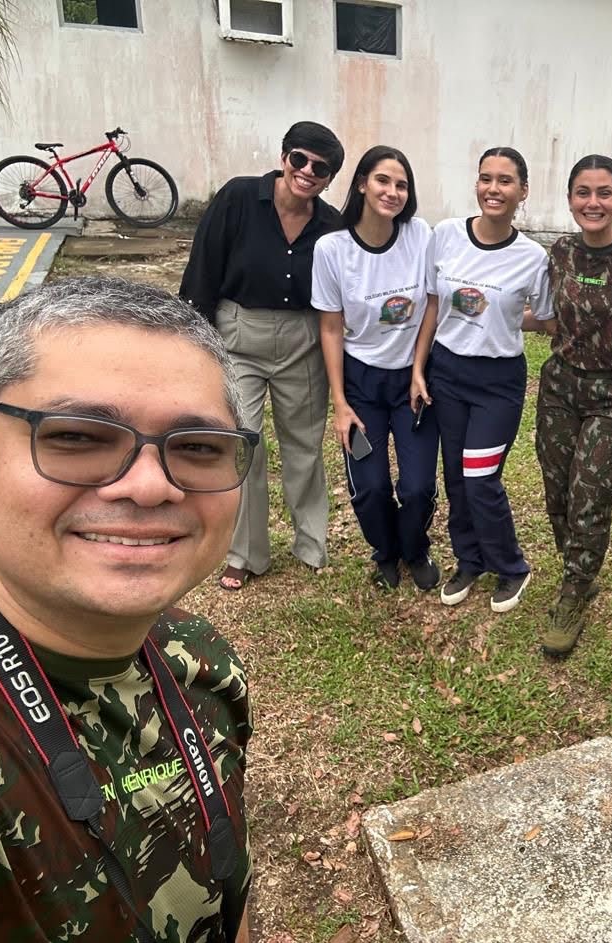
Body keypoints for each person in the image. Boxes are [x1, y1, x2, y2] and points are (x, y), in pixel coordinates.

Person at [0, 276, 255, 943]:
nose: (151, 485)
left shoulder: (201, 659)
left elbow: (223, 889)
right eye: (78, 437)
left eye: (199, 447)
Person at [180, 120, 345, 590]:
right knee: (242, 444)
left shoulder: (331, 226)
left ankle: (311, 543)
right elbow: (204, 266)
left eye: (321, 167)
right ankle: (245, 553)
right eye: (300, 159)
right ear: (283, 156)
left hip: (303, 341)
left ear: (330, 177)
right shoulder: (238, 198)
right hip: (240, 337)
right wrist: (196, 340)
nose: (307, 171)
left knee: (304, 450)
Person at [410, 147, 554, 613]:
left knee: (481, 477)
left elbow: (545, 318)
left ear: (522, 192)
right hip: (447, 371)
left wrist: (509, 318)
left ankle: (512, 566)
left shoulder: (534, 257)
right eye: (486, 178)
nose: (494, 188)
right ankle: (469, 560)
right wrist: (418, 368)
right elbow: (433, 304)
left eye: (506, 181)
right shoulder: (447, 235)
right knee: (455, 476)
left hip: (498, 381)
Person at [533, 155, 612, 658]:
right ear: (570, 200)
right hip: (561, 386)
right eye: (583, 192)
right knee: (557, 492)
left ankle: (572, 593)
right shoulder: (559, 253)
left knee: (590, 493)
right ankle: (579, 570)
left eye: (604, 192)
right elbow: (546, 314)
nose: (594, 202)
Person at [312, 145, 440, 591]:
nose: (392, 192)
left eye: (402, 184)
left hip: (412, 384)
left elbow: (433, 305)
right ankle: (385, 551)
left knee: (419, 485)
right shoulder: (332, 249)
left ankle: (414, 548)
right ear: (362, 183)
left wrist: (420, 368)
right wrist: (340, 403)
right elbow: (330, 329)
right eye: (383, 181)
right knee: (369, 487)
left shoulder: (420, 235)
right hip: (362, 383)